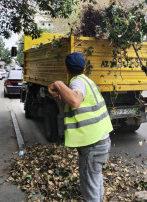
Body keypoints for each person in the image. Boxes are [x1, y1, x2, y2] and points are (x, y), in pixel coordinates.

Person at [48, 52, 113, 201]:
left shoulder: (77, 82)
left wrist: (58, 83)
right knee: (95, 180)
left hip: (93, 146)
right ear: (84, 68)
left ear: (66, 68)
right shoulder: (88, 81)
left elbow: (76, 101)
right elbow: (74, 106)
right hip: (103, 140)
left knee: (89, 187)